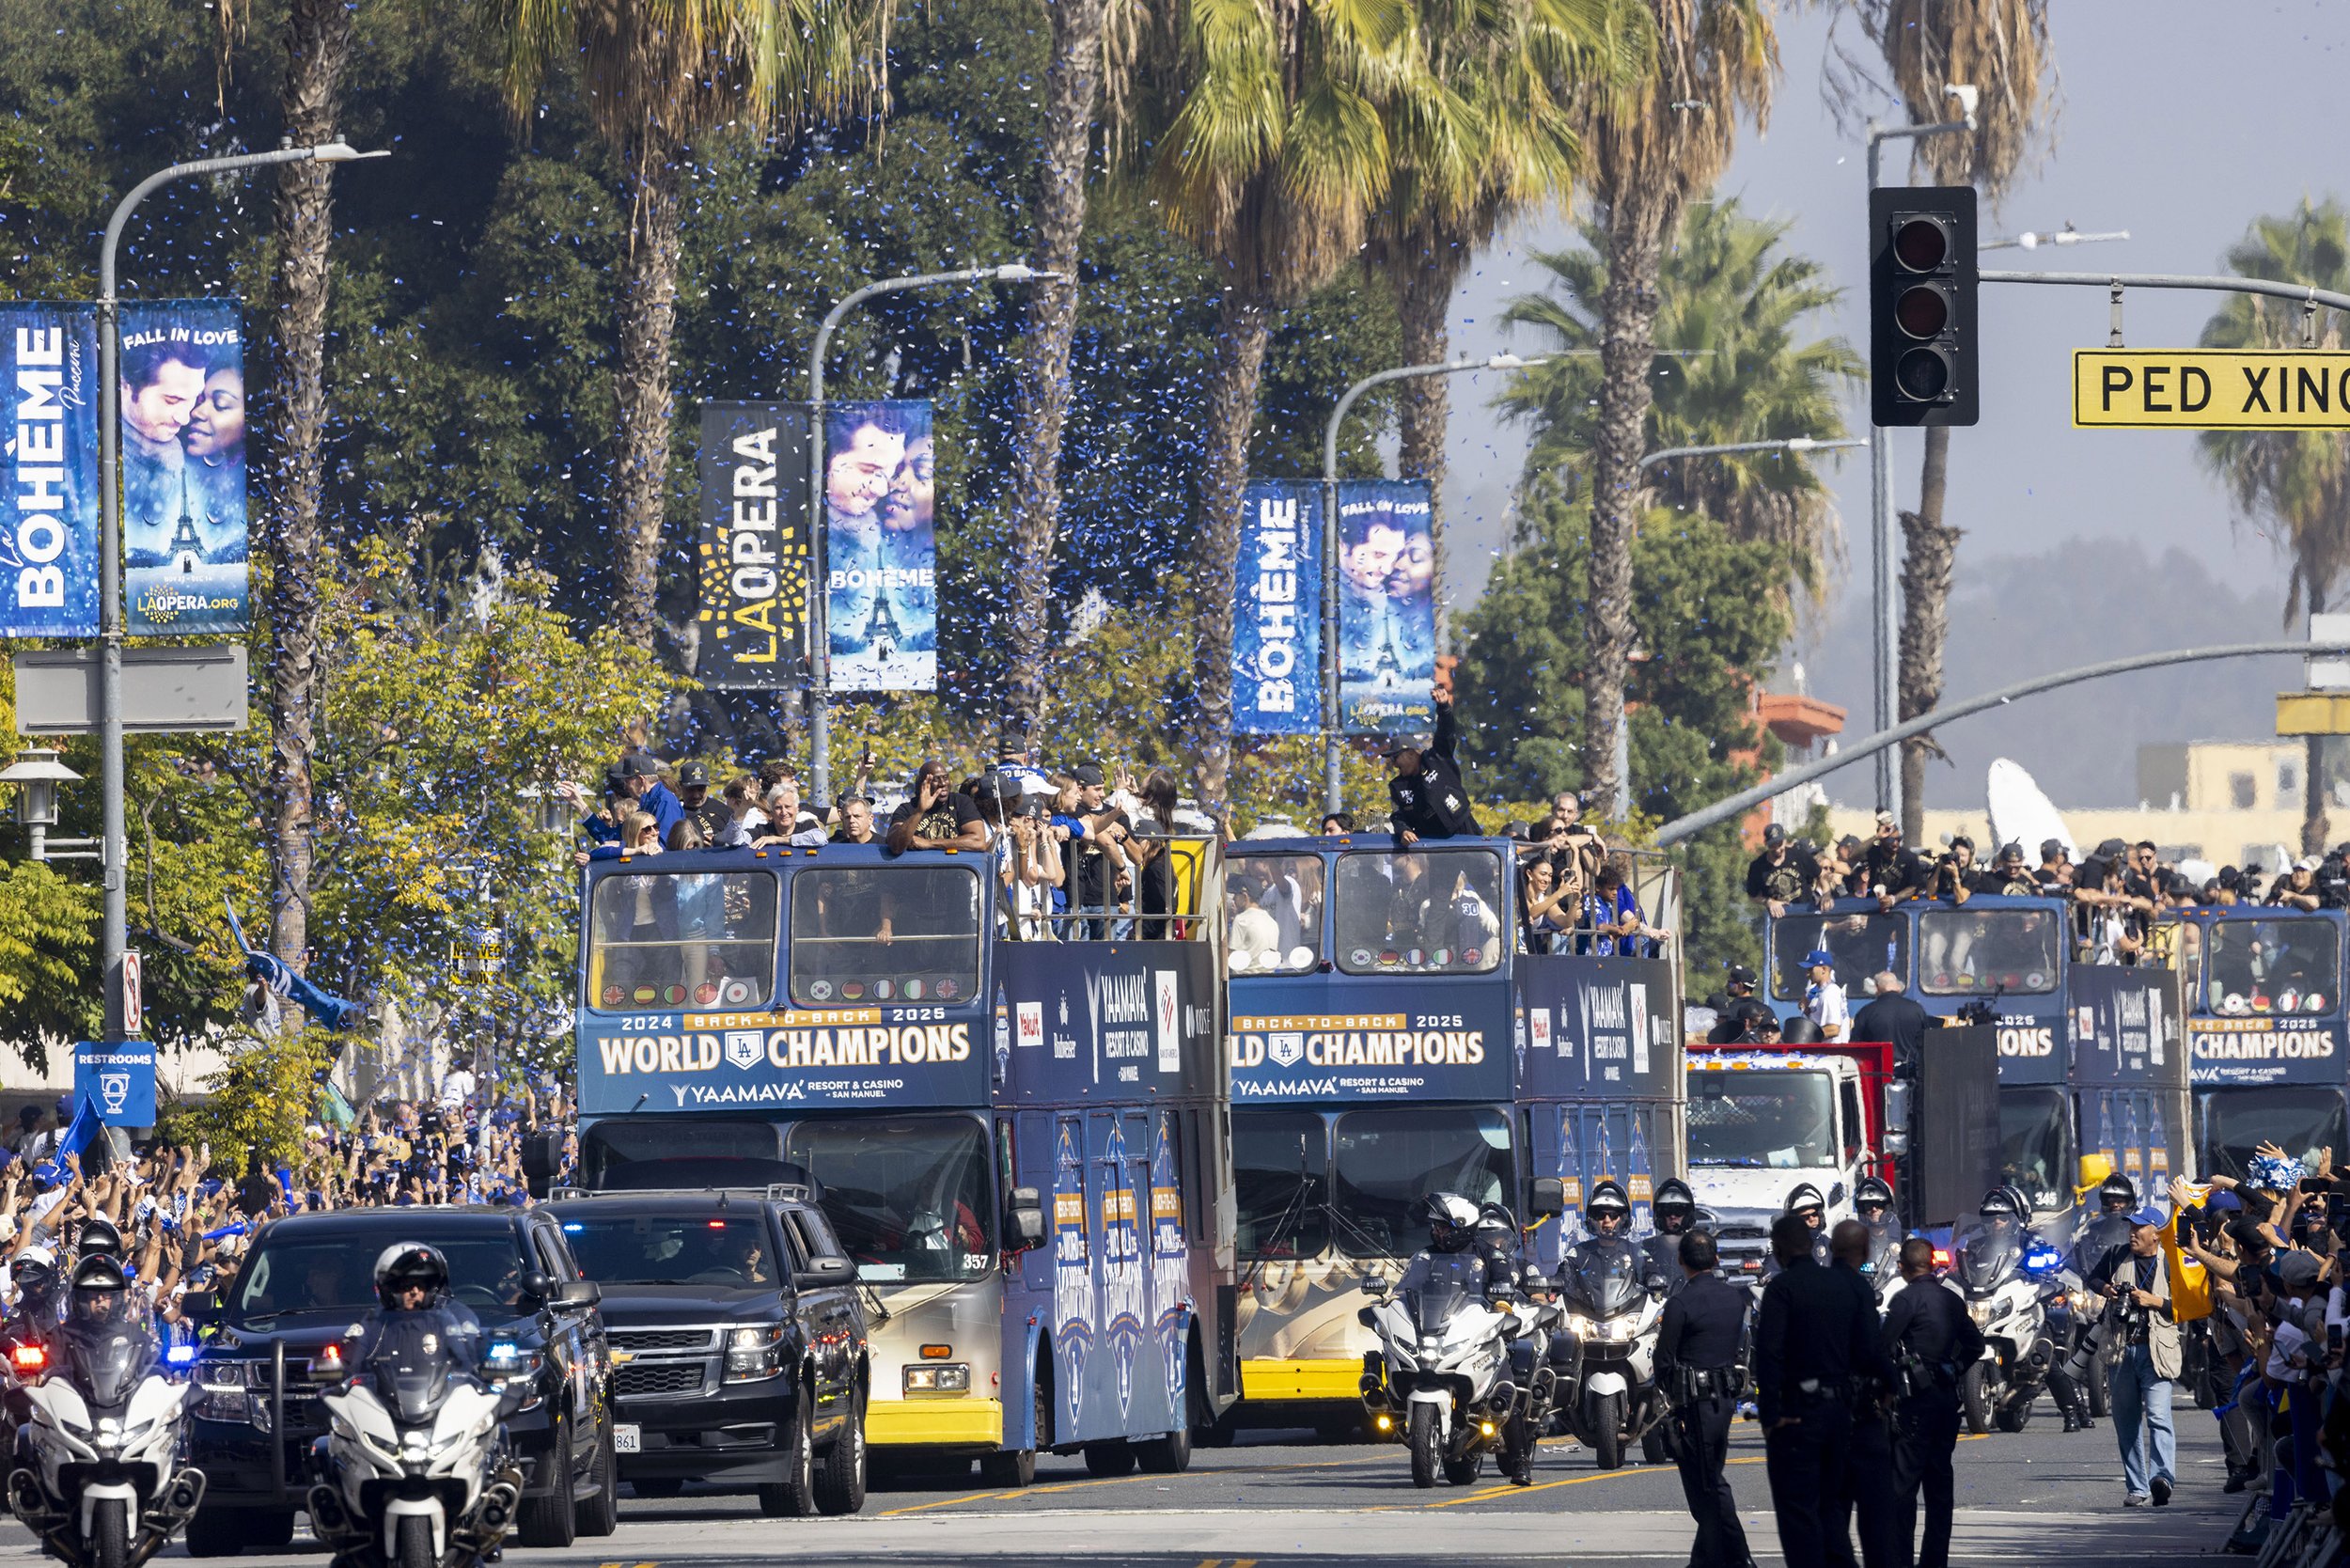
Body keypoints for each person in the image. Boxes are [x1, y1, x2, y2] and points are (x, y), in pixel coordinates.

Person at [1756, 1211, 1890, 1568]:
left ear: (1779, 1249)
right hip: (1840, 1412)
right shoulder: (1844, 1285)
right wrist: (1887, 1386)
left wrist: (1770, 1415)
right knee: (1832, 1507)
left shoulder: (1781, 1289)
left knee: (1799, 1512)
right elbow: (1868, 1349)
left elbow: (1769, 1354)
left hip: (1797, 1412)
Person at [1881, 1236, 1982, 1568]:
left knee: (1903, 1489)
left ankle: (1900, 1560)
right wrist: (1952, 1368)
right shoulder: (1951, 1300)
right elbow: (1975, 1346)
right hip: (1945, 1400)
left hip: (1913, 1404)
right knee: (1939, 1488)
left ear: (1903, 1267)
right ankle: (1935, 1561)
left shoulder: (1905, 1299)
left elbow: (1882, 1348)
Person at [1655, 1229, 1753, 1568]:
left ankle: (1740, 1557)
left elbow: (1663, 1359)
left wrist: (1670, 1397)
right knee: (1707, 1480)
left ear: (1681, 1260)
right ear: (1715, 1259)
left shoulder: (1681, 1302)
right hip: (1724, 1400)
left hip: (1693, 1404)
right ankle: (1705, 1559)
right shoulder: (1734, 1298)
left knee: (1707, 1485)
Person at [2086, 1204, 2180, 1507]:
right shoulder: (2116, 1254)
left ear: (2156, 1234)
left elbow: (2184, 1308)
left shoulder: (2171, 1262)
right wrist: (2108, 1290)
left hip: (2157, 1351)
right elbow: (2093, 1279)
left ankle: (2162, 1479)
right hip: (2122, 1349)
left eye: (2139, 1228)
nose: (2132, 1233)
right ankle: (2137, 1487)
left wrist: (2154, 1301)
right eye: (2130, 1227)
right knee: (2126, 1422)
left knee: (2158, 1416)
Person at [1828, 1219, 1899, 1568]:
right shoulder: (1858, 1288)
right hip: (1859, 1410)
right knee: (1875, 1515)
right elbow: (1872, 1347)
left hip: (1823, 1413)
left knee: (1833, 1508)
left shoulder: (1816, 1285)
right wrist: (1892, 1384)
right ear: (1865, 1251)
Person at [1383, 692, 1478, 846]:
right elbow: (1398, 815)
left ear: (1411, 754)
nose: (1393, 764)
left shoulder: (1437, 758)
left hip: (1462, 827)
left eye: (1395, 757)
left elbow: (1445, 733)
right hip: (1431, 841)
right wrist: (1404, 831)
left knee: (1480, 869)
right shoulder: (1397, 786)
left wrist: (1444, 707)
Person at [886, 760, 990, 854]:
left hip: (957, 870)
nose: (943, 783)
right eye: (936, 779)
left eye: (945, 778)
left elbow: (979, 842)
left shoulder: (961, 802)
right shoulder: (906, 810)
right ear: (922, 784)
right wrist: (919, 811)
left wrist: (929, 843)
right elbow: (896, 846)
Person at [1848, 972, 1928, 1065]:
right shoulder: (1917, 1009)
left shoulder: (1866, 1012)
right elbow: (1926, 1042)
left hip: (1878, 1072)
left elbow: (1855, 1047)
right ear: (1897, 987)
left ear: (1877, 989)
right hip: (1911, 1071)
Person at [1748, 823, 1820, 918]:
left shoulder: (1798, 854)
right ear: (1766, 843)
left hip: (1806, 913)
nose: (1777, 849)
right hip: (1780, 919)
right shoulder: (1757, 866)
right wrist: (1769, 902)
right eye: (1772, 845)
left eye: (1779, 844)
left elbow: (1821, 874)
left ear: (1785, 841)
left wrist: (1826, 894)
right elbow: (1752, 895)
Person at [1644, 1179, 1700, 1287]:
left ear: (1687, 1215)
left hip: (1693, 1297)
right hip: (1658, 1298)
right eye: (1667, 1211)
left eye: (1678, 1211)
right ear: (1660, 1214)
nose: (1672, 1216)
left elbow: (1711, 1273)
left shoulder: (1698, 1246)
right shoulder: (1647, 1247)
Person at [1708, 964, 1776, 1044]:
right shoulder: (1767, 1010)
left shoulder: (1727, 1011)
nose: (1726, 986)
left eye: (1730, 983)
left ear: (1740, 985)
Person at [1801, 949, 1850, 1042]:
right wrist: (1807, 1009)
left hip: (1832, 1052)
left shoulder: (1829, 993)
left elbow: (1834, 1029)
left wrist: (1807, 1036)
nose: (1807, 974)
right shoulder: (1821, 992)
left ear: (1823, 969)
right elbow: (1819, 1020)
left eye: (1811, 969)